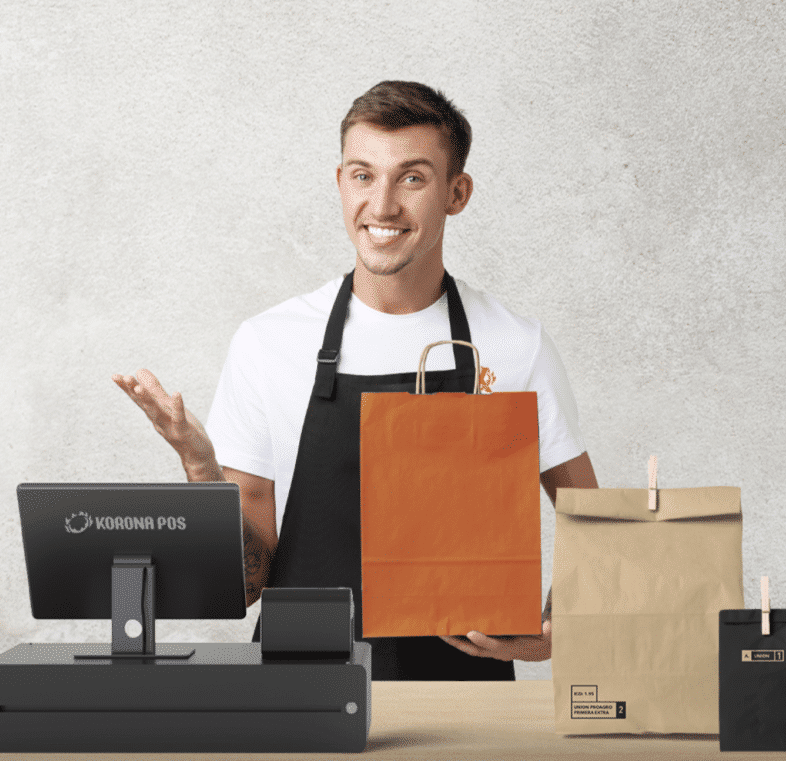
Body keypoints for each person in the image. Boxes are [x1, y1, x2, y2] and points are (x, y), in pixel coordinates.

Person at [113, 80, 599, 680]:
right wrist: (199, 466)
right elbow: (245, 585)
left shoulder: (514, 344)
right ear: (339, 182)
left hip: (458, 698)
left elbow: (594, 524)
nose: (384, 205)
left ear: (457, 193)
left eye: (413, 178)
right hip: (296, 684)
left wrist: (549, 633)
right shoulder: (271, 343)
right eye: (363, 175)